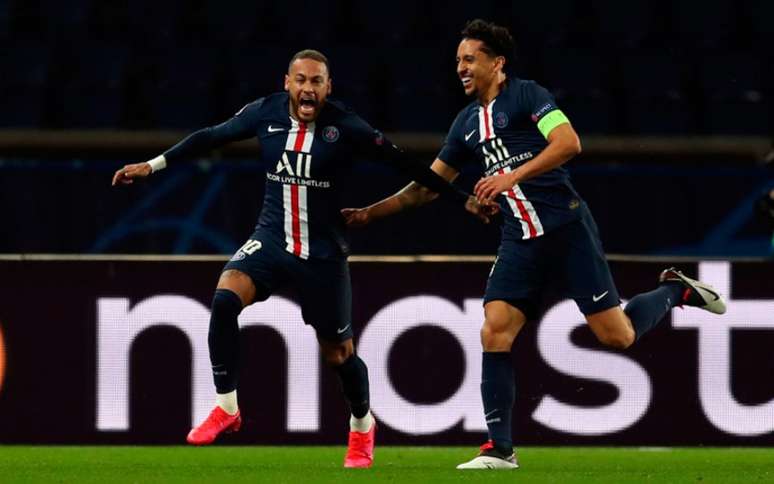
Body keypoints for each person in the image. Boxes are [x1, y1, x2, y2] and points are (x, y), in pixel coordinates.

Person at [342, 20, 727, 470]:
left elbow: (569, 143)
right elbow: (428, 186)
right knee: (494, 329)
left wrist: (512, 177)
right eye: (458, 62)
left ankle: (673, 291)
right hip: (519, 239)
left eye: (470, 60)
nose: (461, 68)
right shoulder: (466, 124)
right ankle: (500, 450)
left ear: (497, 63)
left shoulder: (529, 96)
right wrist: (370, 212)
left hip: (566, 228)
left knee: (616, 336)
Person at [112, 49, 493, 468]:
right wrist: (152, 165)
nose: (307, 88)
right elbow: (210, 136)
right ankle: (227, 407)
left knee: (340, 356)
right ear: (287, 83)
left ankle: (363, 427)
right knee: (224, 299)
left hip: (323, 255)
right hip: (272, 240)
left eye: (316, 81)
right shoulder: (265, 113)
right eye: (300, 80)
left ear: (329, 88)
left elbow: (407, 165)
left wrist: (462, 198)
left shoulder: (347, 127)